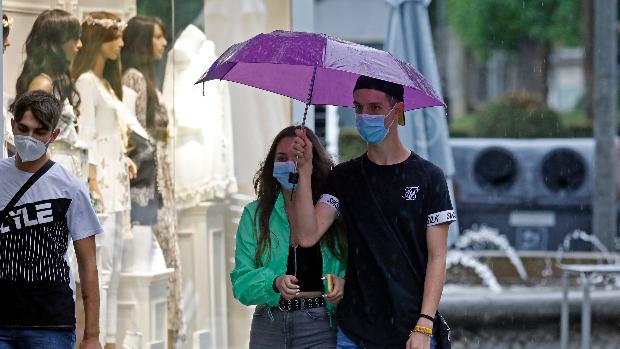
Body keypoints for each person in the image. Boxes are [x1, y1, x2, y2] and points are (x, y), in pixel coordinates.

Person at [292, 76, 456, 349]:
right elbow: (307, 236)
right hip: (355, 331)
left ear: (398, 110)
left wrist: (424, 324)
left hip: (411, 329)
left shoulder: (429, 177)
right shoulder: (343, 177)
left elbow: (437, 259)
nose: (364, 115)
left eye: (375, 108)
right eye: (358, 108)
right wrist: (305, 173)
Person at [0, 90, 101, 349]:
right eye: (23, 128)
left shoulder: (71, 188)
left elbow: (88, 265)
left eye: (40, 132)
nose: (29, 138)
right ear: (12, 125)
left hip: (50, 324)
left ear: (54, 135)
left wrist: (91, 336)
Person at [231, 126, 347, 348]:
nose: (288, 164)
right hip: (269, 323)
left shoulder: (331, 212)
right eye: (281, 158)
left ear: (311, 163)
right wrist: (273, 282)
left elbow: (357, 271)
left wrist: (342, 284)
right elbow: (241, 284)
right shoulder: (254, 215)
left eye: (297, 157)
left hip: (320, 324)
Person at [120, 16, 185, 346]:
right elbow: (136, 137)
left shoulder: (147, 78)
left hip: (159, 177)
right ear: (144, 40)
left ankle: (169, 336)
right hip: (148, 183)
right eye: (158, 37)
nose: (163, 43)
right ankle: (162, 337)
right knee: (162, 259)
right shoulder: (134, 78)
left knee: (169, 258)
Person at [72, 12, 133, 348]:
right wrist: (92, 180)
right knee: (103, 267)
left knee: (116, 264)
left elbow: (110, 134)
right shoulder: (85, 83)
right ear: (101, 39)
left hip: (116, 178)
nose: (122, 44)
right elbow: (88, 135)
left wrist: (122, 159)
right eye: (116, 37)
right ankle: (96, 338)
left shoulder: (106, 83)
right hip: (102, 183)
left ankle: (108, 337)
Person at [15, 9, 86, 179]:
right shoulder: (43, 83)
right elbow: (29, 141)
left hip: (64, 168)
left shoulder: (55, 82)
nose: (80, 45)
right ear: (57, 42)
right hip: (49, 173)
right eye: (74, 38)